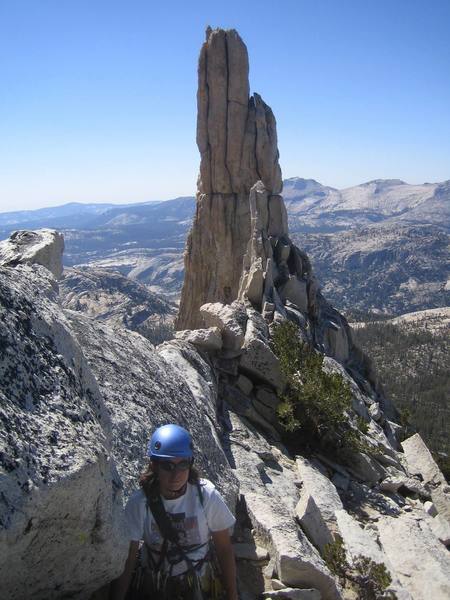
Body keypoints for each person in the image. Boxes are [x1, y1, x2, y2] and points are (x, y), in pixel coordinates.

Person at [111, 424, 238, 600]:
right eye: (167, 466)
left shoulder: (205, 496)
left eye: (182, 465)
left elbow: (224, 548)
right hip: (155, 584)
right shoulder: (140, 503)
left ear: (190, 464)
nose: (176, 474)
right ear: (154, 466)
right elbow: (129, 558)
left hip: (199, 583)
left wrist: (232, 595)